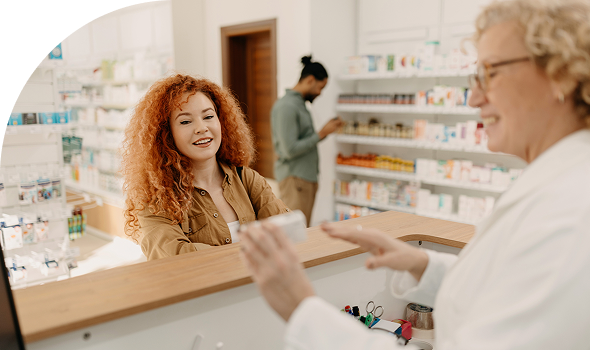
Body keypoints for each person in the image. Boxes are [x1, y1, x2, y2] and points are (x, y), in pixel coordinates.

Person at [238, 0, 590, 348]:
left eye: (490, 72)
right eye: (475, 77)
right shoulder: (553, 185)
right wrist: (424, 266)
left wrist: (304, 311)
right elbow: (506, 288)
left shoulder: (569, 216)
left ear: (561, 75)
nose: (474, 97)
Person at [121, 74, 290, 261]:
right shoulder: (156, 199)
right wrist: (255, 248)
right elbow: (176, 258)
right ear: (166, 134)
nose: (201, 128)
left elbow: (287, 232)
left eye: (208, 116)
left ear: (221, 122)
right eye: (185, 121)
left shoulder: (247, 179)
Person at [271, 55, 344, 227]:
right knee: (295, 233)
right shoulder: (287, 106)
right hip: (295, 179)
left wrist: (324, 132)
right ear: (310, 80)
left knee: (303, 231)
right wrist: (320, 134)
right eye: (320, 87)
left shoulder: (299, 104)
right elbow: (289, 149)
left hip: (304, 179)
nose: (320, 93)